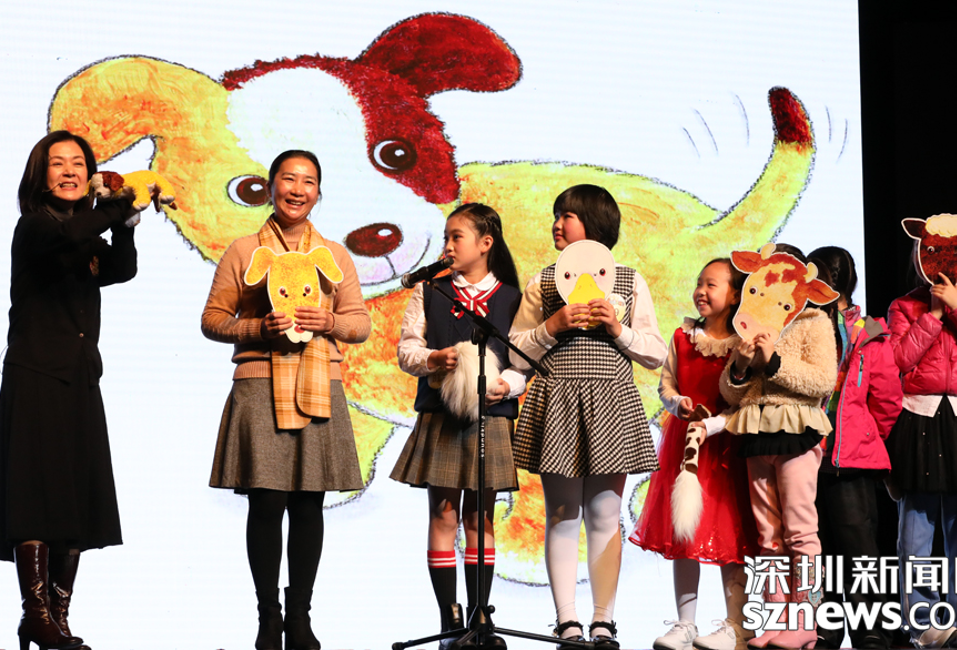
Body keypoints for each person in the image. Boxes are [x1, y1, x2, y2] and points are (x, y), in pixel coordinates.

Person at [202, 150, 371, 650]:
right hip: (259, 383)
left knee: (308, 503)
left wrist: (330, 321)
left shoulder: (334, 255)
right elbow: (212, 319)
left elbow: (360, 324)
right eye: (289, 179)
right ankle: (267, 616)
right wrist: (258, 327)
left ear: (319, 192)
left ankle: (300, 616)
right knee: (266, 502)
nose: (298, 189)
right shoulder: (243, 250)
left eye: (309, 181)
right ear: (270, 185)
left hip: (320, 382)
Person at [0, 131, 141, 650]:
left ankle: (57, 619)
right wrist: (117, 203)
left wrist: (124, 226)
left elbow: (120, 270)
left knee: (74, 496)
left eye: (78, 164)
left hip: (80, 376)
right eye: (58, 164)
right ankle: (34, 614)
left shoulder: (84, 233)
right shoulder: (36, 226)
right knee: (36, 494)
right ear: (41, 176)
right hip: (37, 374)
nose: (69, 172)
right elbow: (73, 233)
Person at [509, 184, 666, 648]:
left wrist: (618, 329)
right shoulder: (543, 281)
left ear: (594, 223)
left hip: (611, 403)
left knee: (605, 514)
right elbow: (515, 353)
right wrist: (551, 327)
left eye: (568, 215)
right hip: (557, 401)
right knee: (562, 514)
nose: (557, 224)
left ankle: (603, 620)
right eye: (556, 215)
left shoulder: (629, 281)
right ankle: (567, 620)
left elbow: (656, 353)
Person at [391, 202, 526, 648]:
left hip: (491, 415)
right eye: (446, 237)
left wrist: (506, 385)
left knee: (480, 516)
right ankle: (449, 620)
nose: (447, 245)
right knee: (444, 513)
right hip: (442, 414)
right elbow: (407, 350)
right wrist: (433, 358)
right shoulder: (430, 290)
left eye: (457, 237)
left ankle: (479, 614)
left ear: (486, 244)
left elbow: (523, 362)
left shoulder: (511, 298)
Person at [631, 259, 759, 650]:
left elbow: (746, 401)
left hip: (724, 447)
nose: (701, 291)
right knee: (683, 533)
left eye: (712, 284)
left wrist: (714, 425)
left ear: (735, 295)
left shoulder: (743, 344)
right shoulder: (682, 336)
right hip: (683, 446)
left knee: (730, 535)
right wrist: (677, 403)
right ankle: (685, 624)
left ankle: (735, 624)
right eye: (699, 283)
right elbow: (666, 385)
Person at [719, 244, 837, 650]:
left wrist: (774, 362)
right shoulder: (749, 322)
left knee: (801, 531)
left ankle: (806, 620)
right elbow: (732, 393)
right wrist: (739, 366)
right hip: (756, 431)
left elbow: (823, 379)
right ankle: (775, 619)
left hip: (797, 428)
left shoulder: (813, 320)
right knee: (768, 535)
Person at [886, 231, 957, 649]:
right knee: (915, 529)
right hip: (920, 414)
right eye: (931, 254)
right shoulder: (903, 305)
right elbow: (898, 359)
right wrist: (932, 314)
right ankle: (923, 624)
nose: (942, 263)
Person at [808, 246, 901, 650]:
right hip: (809, 452)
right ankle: (827, 627)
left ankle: (871, 628)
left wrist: (864, 435)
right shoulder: (803, 324)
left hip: (852, 458)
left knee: (859, 547)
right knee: (820, 546)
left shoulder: (870, 331)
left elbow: (887, 400)